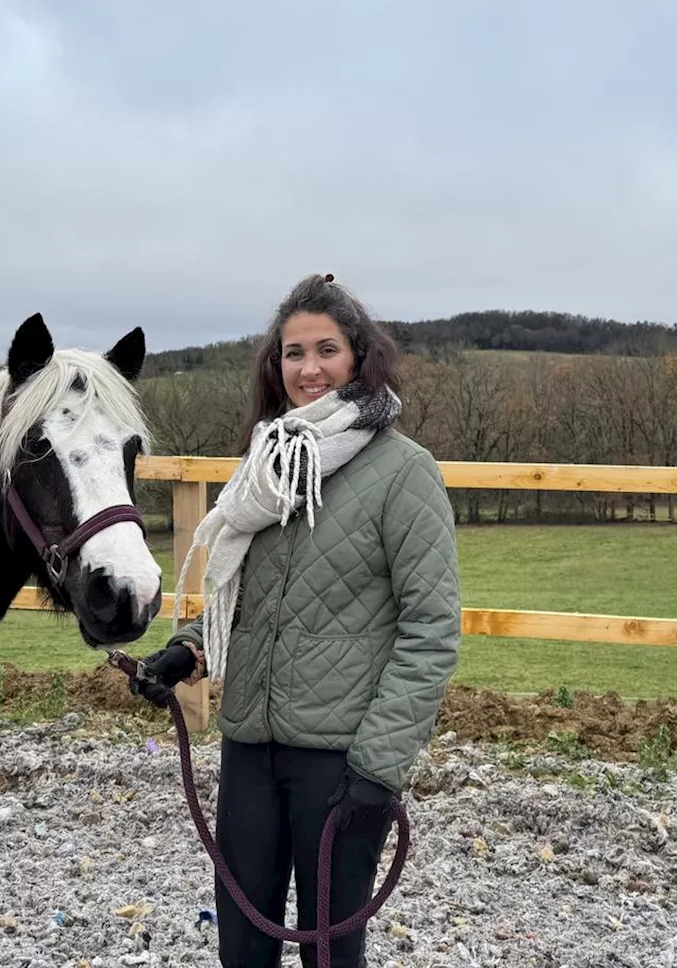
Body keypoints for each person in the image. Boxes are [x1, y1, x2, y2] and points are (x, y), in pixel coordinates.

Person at [127, 272, 461, 968]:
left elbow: (430, 628)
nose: (309, 369)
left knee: (330, 953)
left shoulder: (405, 473)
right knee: (243, 947)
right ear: (274, 366)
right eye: (293, 353)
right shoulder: (268, 465)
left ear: (359, 356)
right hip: (251, 744)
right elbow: (243, 598)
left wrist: (378, 766)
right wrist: (188, 652)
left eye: (326, 350)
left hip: (341, 758)